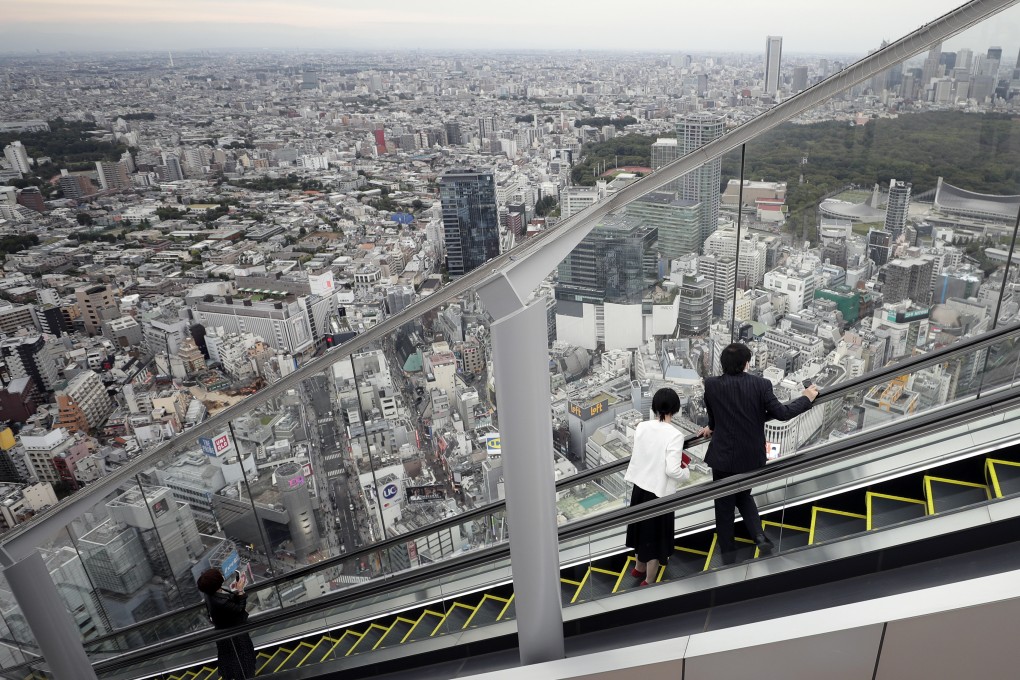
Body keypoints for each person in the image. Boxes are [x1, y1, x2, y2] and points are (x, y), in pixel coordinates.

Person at [699, 343, 818, 563]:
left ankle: (728, 554)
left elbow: (715, 416)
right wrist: (806, 398)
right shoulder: (761, 385)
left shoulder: (712, 385)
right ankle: (759, 536)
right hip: (751, 456)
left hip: (723, 457)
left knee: (724, 505)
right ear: (746, 364)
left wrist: (711, 426)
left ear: (722, 364)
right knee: (743, 494)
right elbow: (782, 413)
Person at [624, 387, 691, 586]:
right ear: (675, 409)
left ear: (654, 407)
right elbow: (672, 470)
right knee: (653, 537)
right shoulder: (675, 435)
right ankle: (649, 580)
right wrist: (686, 472)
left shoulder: (642, 427)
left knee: (640, 530)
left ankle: (639, 568)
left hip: (639, 488)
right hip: (658, 493)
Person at [197, 567, 257, 680]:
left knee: (231, 660)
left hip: (224, 632)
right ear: (216, 583)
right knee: (242, 658)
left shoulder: (209, 593)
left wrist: (234, 592)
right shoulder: (220, 602)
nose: (221, 574)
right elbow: (239, 608)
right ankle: (246, 676)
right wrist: (240, 591)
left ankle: (240, 675)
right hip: (235, 634)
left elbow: (226, 600)